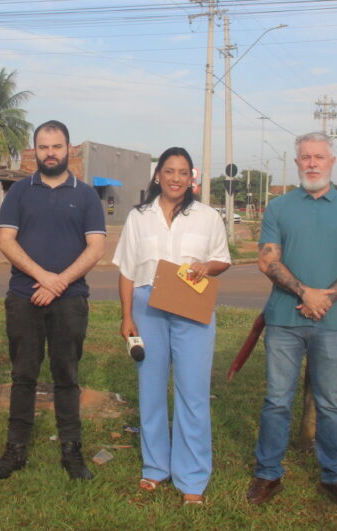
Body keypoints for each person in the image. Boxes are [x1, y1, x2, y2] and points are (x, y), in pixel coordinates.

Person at [247, 132, 337, 511]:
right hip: (284, 321)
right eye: (306, 157)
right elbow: (268, 260)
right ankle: (268, 473)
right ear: (297, 162)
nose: (312, 163)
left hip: (332, 323)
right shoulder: (279, 207)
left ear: (332, 162)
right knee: (277, 401)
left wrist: (326, 298)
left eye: (319, 157)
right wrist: (305, 293)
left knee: (331, 403)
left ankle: (336, 478)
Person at [0, 120, 106, 481]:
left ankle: (71, 451)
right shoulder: (19, 192)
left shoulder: (86, 195)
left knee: (66, 375)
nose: (50, 153)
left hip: (71, 300)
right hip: (25, 298)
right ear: (34, 150)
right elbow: (5, 241)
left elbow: (96, 247)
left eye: (56, 146)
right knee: (23, 375)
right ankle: (15, 449)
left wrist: (59, 283)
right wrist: (44, 278)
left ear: (69, 149)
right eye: (43, 147)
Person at [113, 147, 231, 506]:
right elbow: (127, 270)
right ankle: (155, 467)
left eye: (183, 172)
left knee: (192, 392)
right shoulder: (139, 217)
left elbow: (222, 259)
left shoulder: (207, 217)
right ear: (157, 175)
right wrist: (127, 316)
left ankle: (192, 476)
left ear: (190, 178)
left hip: (191, 303)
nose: (176, 178)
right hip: (148, 305)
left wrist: (206, 268)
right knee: (151, 389)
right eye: (169, 171)